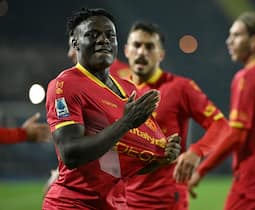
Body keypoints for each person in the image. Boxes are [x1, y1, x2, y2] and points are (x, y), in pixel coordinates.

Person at [43, 8, 181, 210]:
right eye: (93, 35)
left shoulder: (128, 89)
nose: (104, 40)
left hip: (115, 204)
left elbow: (128, 164)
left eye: (110, 35)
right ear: (75, 43)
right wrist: (125, 123)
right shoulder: (65, 85)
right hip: (73, 204)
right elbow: (70, 154)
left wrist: (164, 156)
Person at [174, 12, 255, 210]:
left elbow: (237, 134)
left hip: (254, 184)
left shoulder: (247, 77)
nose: (228, 41)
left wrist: (202, 170)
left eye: (236, 35)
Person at [123, 21, 228, 210]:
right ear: (126, 50)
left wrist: (197, 151)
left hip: (164, 200)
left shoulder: (180, 88)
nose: (141, 52)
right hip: (120, 200)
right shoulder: (116, 91)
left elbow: (221, 125)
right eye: (136, 45)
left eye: (149, 47)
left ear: (161, 54)